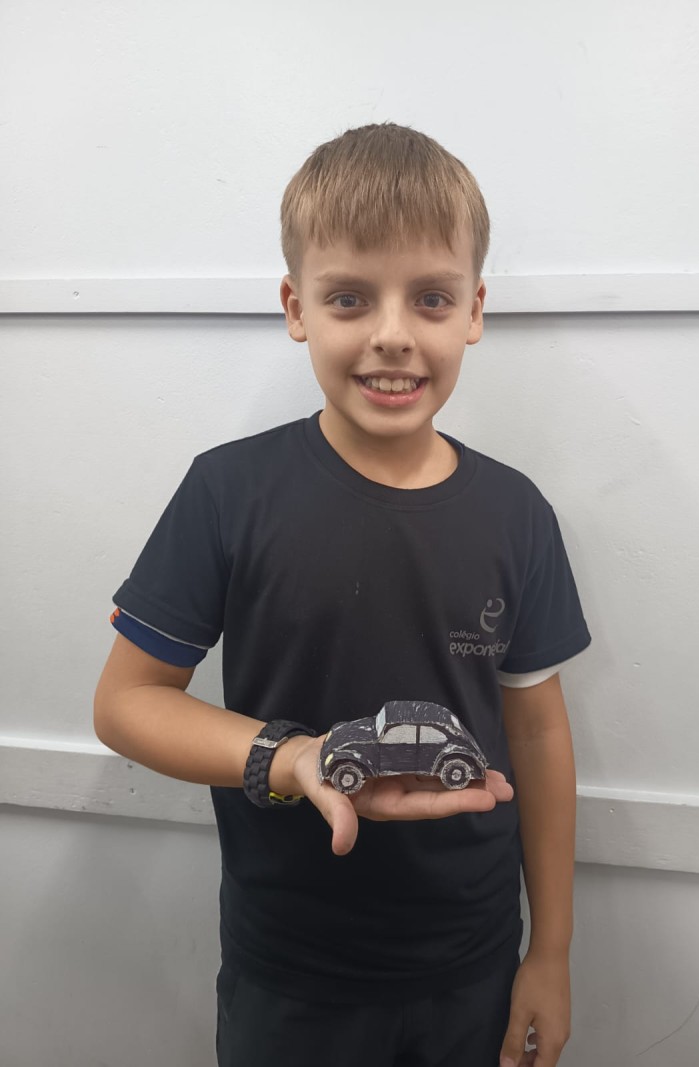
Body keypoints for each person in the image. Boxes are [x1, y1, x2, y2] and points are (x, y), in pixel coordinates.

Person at [94, 122, 591, 1067]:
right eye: (351, 297)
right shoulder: (227, 491)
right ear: (297, 307)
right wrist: (293, 757)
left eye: (431, 297)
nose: (392, 334)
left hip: (475, 963)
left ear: (475, 310)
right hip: (291, 976)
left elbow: (536, 733)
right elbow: (126, 702)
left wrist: (553, 951)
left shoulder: (518, 513)